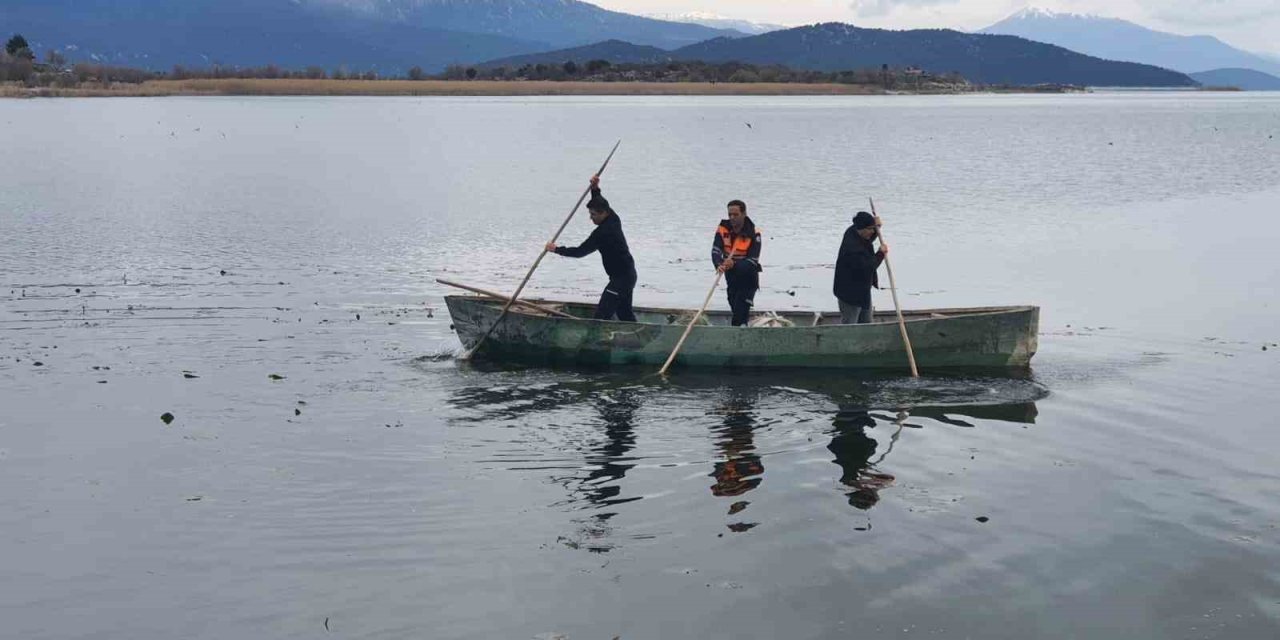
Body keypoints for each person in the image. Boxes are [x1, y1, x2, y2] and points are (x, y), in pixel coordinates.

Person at [545, 176, 637, 322]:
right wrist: (595, 188)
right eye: (590, 214)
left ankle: (595, 342)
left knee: (601, 317)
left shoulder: (602, 233)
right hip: (628, 276)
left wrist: (556, 249)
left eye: (593, 215)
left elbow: (580, 252)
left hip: (621, 280)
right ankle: (637, 341)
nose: (591, 218)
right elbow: (599, 200)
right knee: (625, 314)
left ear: (604, 213)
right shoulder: (614, 218)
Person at [710, 200, 762, 327]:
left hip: (748, 277)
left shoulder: (754, 233)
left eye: (735, 214)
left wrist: (734, 264)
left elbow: (752, 260)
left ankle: (739, 330)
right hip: (731, 274)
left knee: (741, 307)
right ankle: (742, 327)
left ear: (744, 213)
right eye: (730, 215)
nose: (732, 218)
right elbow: (716, 250)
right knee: (732, 300)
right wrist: (719, 264)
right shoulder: (723, 229)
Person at [833, 210, 889, 324]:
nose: (872, 232)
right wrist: (880, 253)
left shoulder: (854, 230)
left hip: (863, 290)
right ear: (861, 229)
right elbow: (869, 266)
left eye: (873, 228)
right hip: (849, 294)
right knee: (850, 325)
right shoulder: (852, 248)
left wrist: (877, 227)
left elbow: (867, 238)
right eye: (870, 229)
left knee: (867, 322)